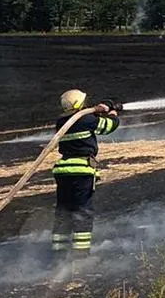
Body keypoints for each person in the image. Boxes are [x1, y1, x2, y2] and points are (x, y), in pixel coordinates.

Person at [51, 89, 119, 254]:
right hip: (81, 171)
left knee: (63, 211)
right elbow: (108, 127)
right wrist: (113, 114)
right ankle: (80, 255)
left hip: (63, 172)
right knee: (82, 211)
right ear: (80, 104)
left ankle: (59, 252)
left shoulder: (61, 122)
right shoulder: (86, 119)